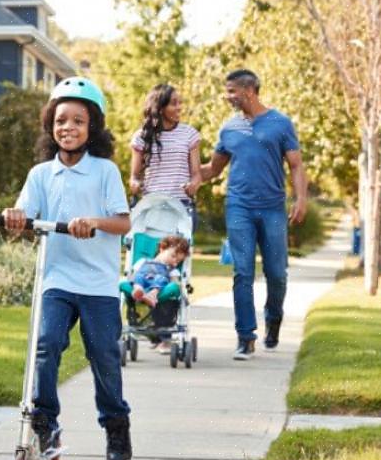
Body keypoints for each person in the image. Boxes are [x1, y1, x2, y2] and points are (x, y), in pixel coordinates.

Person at [2, 76, 133, 460]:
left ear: (92, 128)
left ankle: (116, 426)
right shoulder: (41, 175)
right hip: (56, 279)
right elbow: (26, 218)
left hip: (98, 283)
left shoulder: (105, 171)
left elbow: (123, 223)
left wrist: (93, 221)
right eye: (61, 120)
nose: (68, 128)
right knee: (45, 344)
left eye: (78, 121)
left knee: (104, 356)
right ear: (50, 124)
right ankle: (45, 426)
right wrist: (15, 217)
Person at [200, 69, 308, 361]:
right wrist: (177, 174)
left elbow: (296, 165)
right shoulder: (229, 128)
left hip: (273, 207)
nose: (228, 96)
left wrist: (300, 198)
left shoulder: (280, 123)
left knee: (277, 274)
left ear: (249, 91)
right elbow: (212, 169)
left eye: (232, 91)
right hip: (239, 206)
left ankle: (273, 320)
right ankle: (245, 337)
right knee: (242, 272)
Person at [129, 84, 202, 231]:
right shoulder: (141, 137)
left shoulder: (189, 134)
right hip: (151, 206)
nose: (179, 107)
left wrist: (194, 184)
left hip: (181, 205)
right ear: (160, 108)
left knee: (178, 254)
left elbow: (196, 175)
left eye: (180, 102)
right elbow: (134, 178)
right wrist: (135, 184)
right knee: (149, 253)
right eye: (174, 103)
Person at [125, 234, 190, 308]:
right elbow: (133, 276)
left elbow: (175, 284)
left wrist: (182, 290)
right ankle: (138, 290)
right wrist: (133, 283)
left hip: (157, 287)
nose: (174, 262)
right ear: (162, 249)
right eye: (173, 256)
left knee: (161, 279)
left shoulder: (172, 270)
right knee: (139, 276)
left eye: (178, 261)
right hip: (141, 282)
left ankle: (152, 295)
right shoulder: (143, 261)